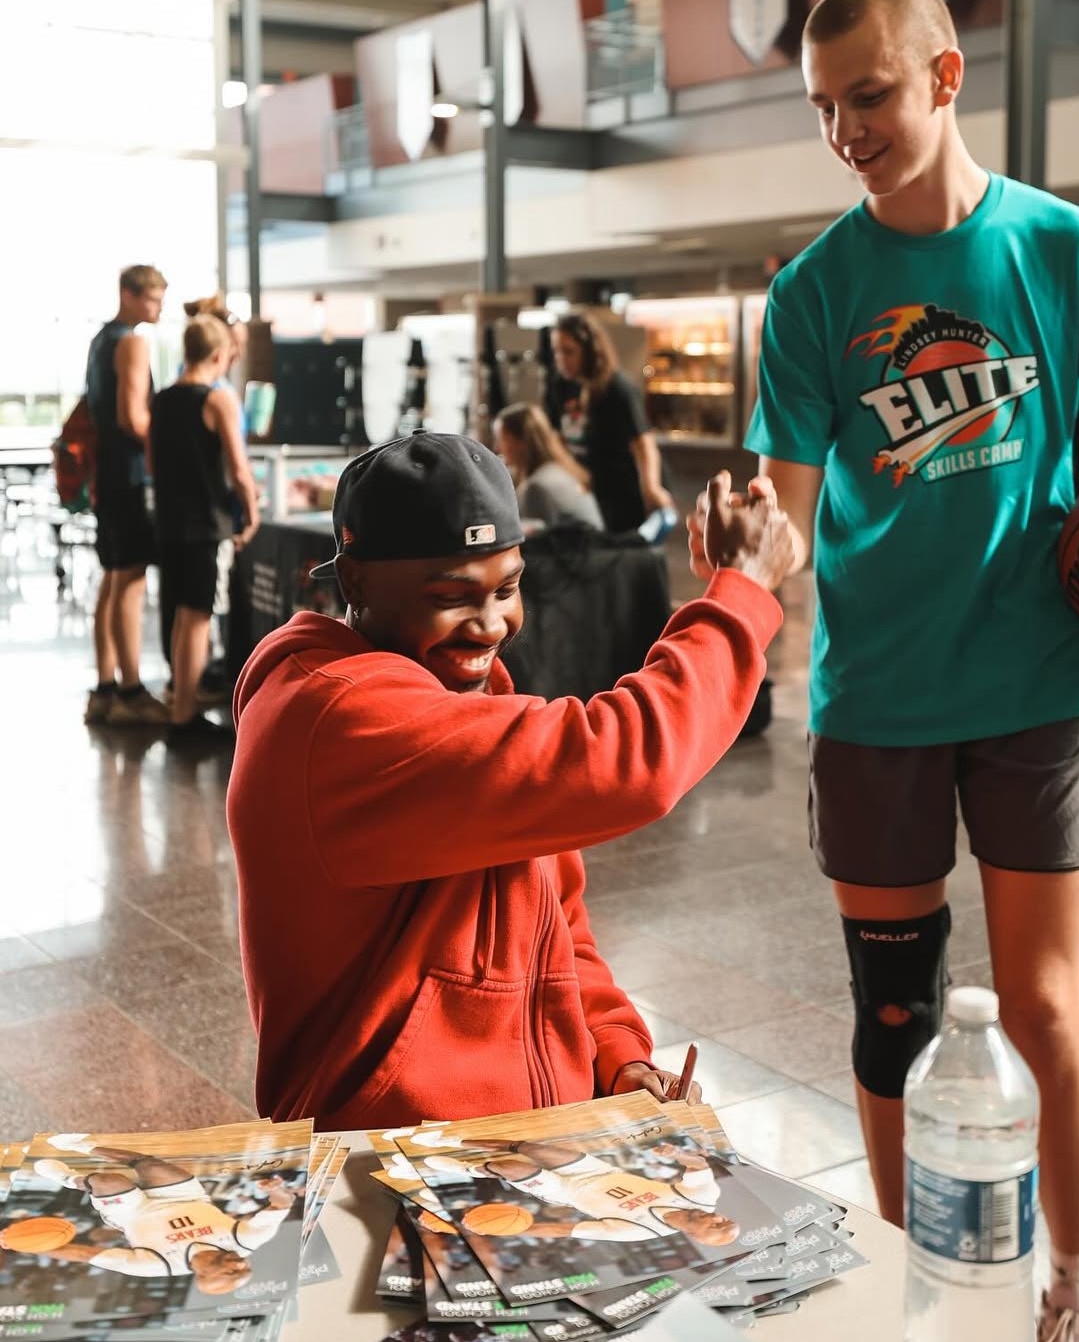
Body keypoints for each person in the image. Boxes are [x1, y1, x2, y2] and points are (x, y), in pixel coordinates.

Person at [690, 0, 1079, 1342]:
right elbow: (782, 518)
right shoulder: (810, 294)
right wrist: (743, 550)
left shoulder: (1067, 249)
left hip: (1037, 689)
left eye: (872, 94)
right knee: (894, 1008)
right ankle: (918, 1277)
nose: (848, 127)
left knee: (1044, 999)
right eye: (826, 108)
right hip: (878, 700)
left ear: (946, 78)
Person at [227, 432, 792, 1133]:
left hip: (519, 1145)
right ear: (357, 582)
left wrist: (617, 1060)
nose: (492, 623)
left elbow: (557, 926)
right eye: (452, 596)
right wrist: (740, 595)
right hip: (388, 1163)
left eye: (508, 586)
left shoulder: (461, 698)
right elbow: (626, 760)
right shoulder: (338, 721)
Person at [150, 315, 259, 742]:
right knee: (197, 619)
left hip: (170, 523)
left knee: (180, 615)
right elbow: (239, 469)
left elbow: (155, 464)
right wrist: (250, 513)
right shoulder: (217, 401)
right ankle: (184, 720)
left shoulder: (161, 400)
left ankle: (180, 704)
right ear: (219, 354)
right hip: (206, 526)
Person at [28, 1139, 293, 1292]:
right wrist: (278, 1189)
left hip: (133, 1214)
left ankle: (69, 1179)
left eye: (233, 1273)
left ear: (205, 1276)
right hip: (186, 1198)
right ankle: (80, 1143)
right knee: (149, 1164)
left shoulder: (155, 1266)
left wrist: (22, 1244)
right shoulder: (246, 1242)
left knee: (108, 1181)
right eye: (246, 1268)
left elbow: (85, 1255)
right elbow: (282, 1206)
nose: (241, 1265)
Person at [83, 263, 169, 728]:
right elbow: (132, 418)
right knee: (130, 581)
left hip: (107, 475)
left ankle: (104, 688)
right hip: (132, 476)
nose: (158, 309)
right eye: (153, 299)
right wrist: (168, 450)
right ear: (130, 295)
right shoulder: (132, 342)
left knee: (113, 579)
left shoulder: (101, 340)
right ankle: (133, 691)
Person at [421, 1138, 738, 1246]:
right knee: (529, 1147)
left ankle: (465, 1169)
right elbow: (697, 1164)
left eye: (718, 1226)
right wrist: (677, 1155)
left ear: (697, 1236)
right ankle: (448, 1141)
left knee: (509, 1166)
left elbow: (565, 1229)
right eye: (727, 1219)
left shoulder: (640, 1232)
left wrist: (486, 1232)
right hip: (596, 1172)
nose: (720, 1217)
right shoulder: (703, 1197)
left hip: (565, 1192)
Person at [546, 312, 675, 533]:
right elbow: (555, 437)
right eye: (557, 351)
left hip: (627, 489)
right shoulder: (561, 387)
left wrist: (651, 489)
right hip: (595, 487)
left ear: (588, 351)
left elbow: (643, 443)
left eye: (569, 352)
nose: (561, 359)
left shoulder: (617, 388)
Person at [493, 402, 605, 532]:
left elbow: (529, 544)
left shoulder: (537, 487)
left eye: (501, 439)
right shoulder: (559, 471)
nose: (496, 448)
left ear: (520, 441)